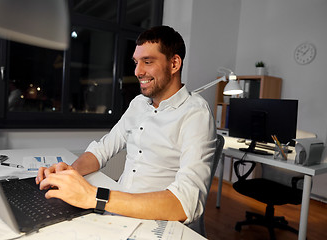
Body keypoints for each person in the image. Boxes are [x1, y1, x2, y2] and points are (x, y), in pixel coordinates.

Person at [36, 25, 216, 228]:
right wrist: (69, 173)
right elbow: (103, 149)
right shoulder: (138, 104)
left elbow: (186, 203)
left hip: (156, 223)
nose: (138, 71)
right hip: (119, 210)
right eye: (136, 62)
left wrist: (94, 196)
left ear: (174, 63)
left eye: (147, 62)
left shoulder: (196, 114)